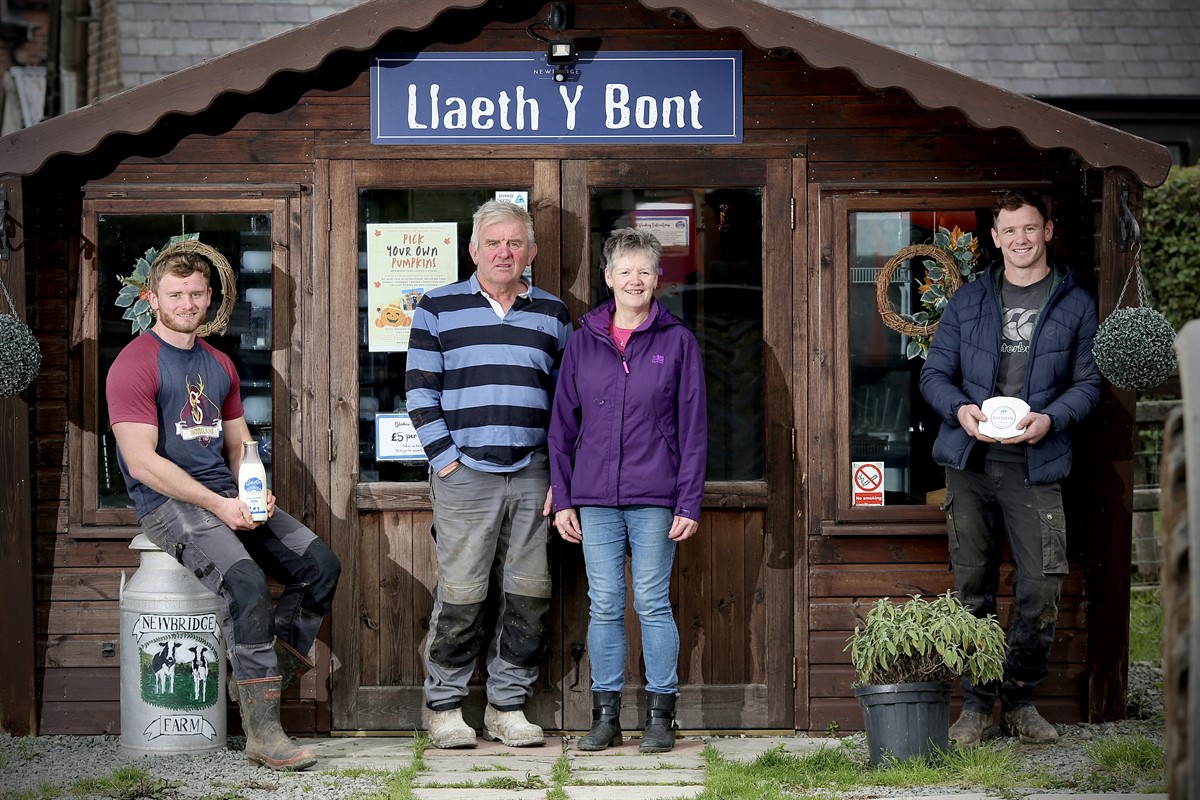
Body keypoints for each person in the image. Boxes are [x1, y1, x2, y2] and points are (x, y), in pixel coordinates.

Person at [106, 249, 341, 772]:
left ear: (209, 298)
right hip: (171, 505)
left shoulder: (218, 363)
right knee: (247, 584)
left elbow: (239, 446)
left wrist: (254, 491)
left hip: (227, 497)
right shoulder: (134, 364)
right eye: (175, 294)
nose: (187, 303)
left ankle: (262, 676)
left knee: (320, 565)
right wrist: (218, 503)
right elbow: (142, 463)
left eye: (196, 294)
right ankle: (264, 734)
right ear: (152, 299)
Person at [920, 190, 1101, 747]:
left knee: (1040, 587)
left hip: (1037, 464)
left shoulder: (1076, 304)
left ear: (1047, 230)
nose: (1020, 240)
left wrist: (1052, 419)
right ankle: (975, 707)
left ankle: (1021, 700)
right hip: (971, 464)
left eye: (1029, 228)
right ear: (994, 239)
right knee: (972, 587)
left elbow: (1091, 383)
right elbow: (933, 374)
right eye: (1009, 231)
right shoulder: (969, 301)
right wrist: (960, 409)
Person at [405, 200, 572, 749]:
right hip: (464, 475)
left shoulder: (551, 312)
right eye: (493, 243)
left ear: (532, 252)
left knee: (528, 593)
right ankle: (446, 707)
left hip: (532, 474)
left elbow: (566, 403)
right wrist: (445, 459)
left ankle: (507, 706)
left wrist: (559, 474)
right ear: (473, 250)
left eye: (515, 243)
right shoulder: (437, 306)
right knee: (462, 591)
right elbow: (420, 391)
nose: (505, 252)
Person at [548, 227, 707, 753]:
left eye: (644, 270)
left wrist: (688, 500)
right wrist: (564, 495)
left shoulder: (676, 340)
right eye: (625, 270)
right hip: (594, 498)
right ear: (608, 277)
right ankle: (606, 717)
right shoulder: (584, 339)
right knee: (606, 604)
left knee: (653, 603)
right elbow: (561, 429)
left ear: (657, 278)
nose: (635, 279)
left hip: (656, 495)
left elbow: (693, 428)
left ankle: (662, 717)